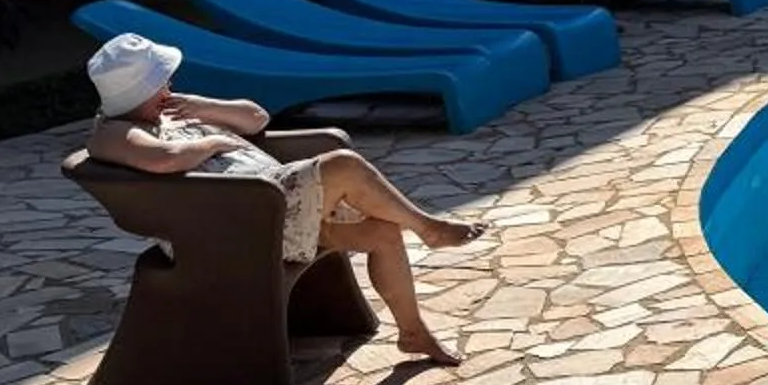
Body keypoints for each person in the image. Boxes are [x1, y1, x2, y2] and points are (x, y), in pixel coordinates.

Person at [84, 32, 478, 366]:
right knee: (342, 164)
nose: (167, 88)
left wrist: (203, 108)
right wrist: (216, 141)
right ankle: (428, 228)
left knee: (382, 232)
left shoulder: (172, 111)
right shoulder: (115, 132)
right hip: (236, 227)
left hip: (272, 208)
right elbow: (164, 158)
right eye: (159, 84)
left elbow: (256, 118)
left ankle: (412, 333)